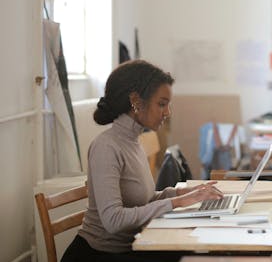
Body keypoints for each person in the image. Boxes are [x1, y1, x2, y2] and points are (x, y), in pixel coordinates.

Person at [62, 60, 223, 262]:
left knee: (194, 251)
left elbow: (143, 201)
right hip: (101, 255)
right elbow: (113, 220)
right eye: (162, 104)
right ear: (136, 102)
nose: (168, 112)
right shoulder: (106, 147)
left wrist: (187, 193)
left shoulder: (133, 141)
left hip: (131, 246)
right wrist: (177, 202)